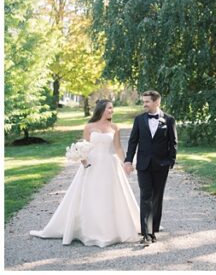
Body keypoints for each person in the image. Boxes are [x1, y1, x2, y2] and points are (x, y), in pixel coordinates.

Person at [30, 100, 141, 247]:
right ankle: (88, 230)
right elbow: (84, 147)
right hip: (92, 165)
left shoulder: (114, 127)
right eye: (109, 108)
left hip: (109, 166)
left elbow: (118, 148)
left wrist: (126, 162)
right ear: (101, 109)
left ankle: (111, 230)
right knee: (91, 196)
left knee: (109, 196)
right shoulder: (89, 127)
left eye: (112, 108)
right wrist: (82, 158)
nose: (111, 111)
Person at [123, 90, 177, 246]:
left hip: (161, 165)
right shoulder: (139, 120)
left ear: (157, 102)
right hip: (144, 164)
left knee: (157, 197)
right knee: (146, 196)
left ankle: (153, 230)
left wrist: (170, 161)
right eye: (144, 101)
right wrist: (128, 160)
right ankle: (146, 234)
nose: (144, 104)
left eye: (147, 101)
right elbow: (133, 141)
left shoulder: (169, 120)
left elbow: (173, 143)